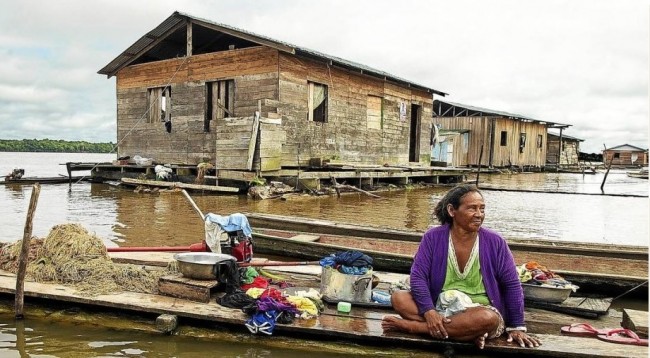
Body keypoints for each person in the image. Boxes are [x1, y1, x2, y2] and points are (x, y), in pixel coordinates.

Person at [381, 184, 540, 349]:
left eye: (482, 209)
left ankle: (416, 328)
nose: (479, 214)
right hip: (441, 306)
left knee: (487, 318)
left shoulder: (495, 242)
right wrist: (429, 311)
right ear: (452, 210)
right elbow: (418, 276)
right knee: (399, 297)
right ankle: (465, 333)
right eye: (472, 208)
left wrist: (516, 326)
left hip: (478, 310)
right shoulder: (433, 237)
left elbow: (512, 284)